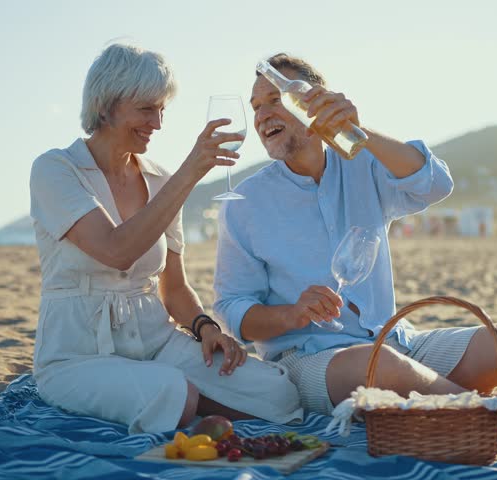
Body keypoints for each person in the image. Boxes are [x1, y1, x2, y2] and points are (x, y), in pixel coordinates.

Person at [213, 53, 497, 451]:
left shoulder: (362, 162)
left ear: (310, 99)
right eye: (255, 105)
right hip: (309, 362)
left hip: (395, 340)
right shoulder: (245, 205)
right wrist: (292, 314)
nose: (260, 114)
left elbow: (434, 183)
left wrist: (357, 129)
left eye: (274, 98)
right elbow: (234, 309)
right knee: (384, 365)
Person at [28, 43, 302, 434]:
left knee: (279, 393)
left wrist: (207, 329)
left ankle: (196, 406)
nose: (157, 123)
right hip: (78, 355)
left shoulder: (161, 179)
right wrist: (191, 171)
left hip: (156, 342)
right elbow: (116, 250)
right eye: (145, 108)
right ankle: (192, 405)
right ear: (106, 105)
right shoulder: (56, 169)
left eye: (161, 110)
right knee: (172, 393)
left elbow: (174, 290)